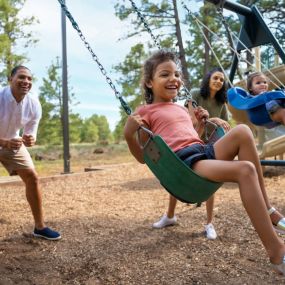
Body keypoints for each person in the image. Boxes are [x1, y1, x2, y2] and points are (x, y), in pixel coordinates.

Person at [124, 50, 285, 275]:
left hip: (202, 150)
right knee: (245, 170)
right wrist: (129, 135)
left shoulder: (181, 108)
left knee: (243, 131)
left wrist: (200, 125)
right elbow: (143, 158)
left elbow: (193, 138)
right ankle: (277, 252)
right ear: (149, 82)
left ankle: (268, 210)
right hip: (185, 164)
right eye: (164, 74)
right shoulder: (144, 113)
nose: (174, 79)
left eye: (176, 74)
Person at [152, 68, 231, 240]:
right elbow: (190, 119)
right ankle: (170, 216)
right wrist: (212, 120)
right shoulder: (196, 93)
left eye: (221, 80)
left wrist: (217, 122)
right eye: (215, 78)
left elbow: (225, 124)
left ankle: (209, 223)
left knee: (212, 179)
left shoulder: (221, 102)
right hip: (191, 137)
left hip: (211, 141)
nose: (218, 81)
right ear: (208, 79)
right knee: (179, 174)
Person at [0, 66, 61, 240]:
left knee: (32, 178)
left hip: (13, 143)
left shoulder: (34, 103)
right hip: (6, 142)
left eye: (29, 79)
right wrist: (4, 142)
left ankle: (40, 227)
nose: (26, 82)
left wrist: (30, 139)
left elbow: (31, 130)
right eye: (21, 77)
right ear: (10, 79)